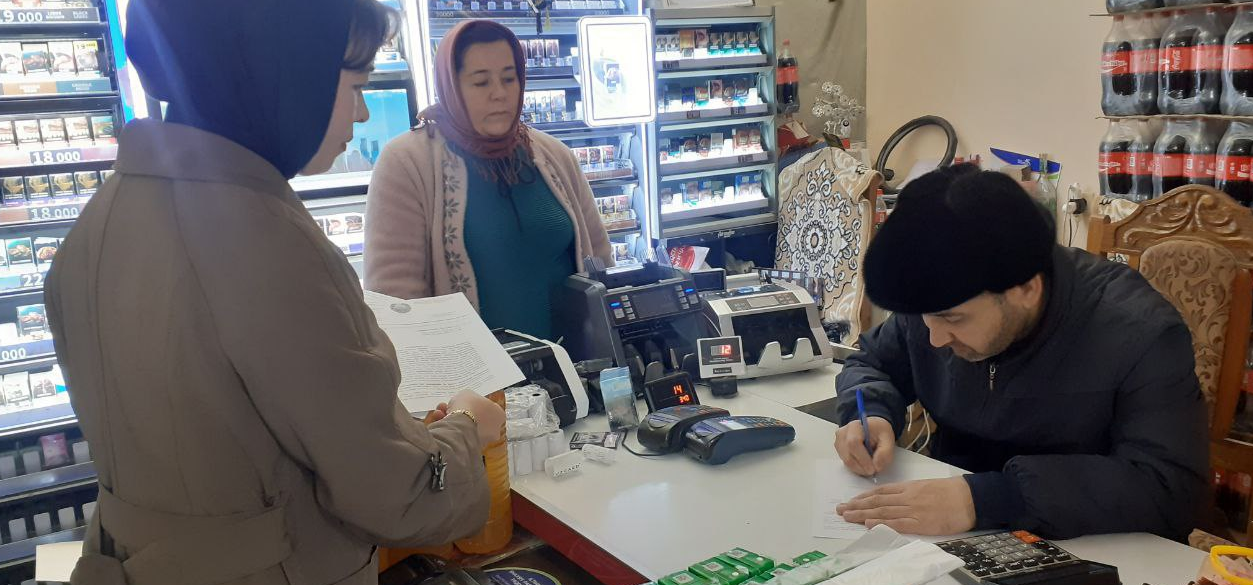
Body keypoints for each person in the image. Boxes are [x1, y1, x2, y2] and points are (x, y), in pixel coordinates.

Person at [46, 1, 504, 584]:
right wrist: (465, 427)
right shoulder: (263, 240)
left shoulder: (99, 220)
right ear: (288, 75)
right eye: (355, 85)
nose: (363, 112)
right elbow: (395, 494)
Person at [831, 165, 1207, 540]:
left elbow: (1169, 488)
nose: (935, 339)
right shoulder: (938, 301)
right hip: (943, 524)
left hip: (1085, 539)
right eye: (925, 317)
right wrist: (871, 412)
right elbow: (872, 362)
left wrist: (989, 499)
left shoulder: (1140, 332)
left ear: (1026, 289)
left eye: (953, 319)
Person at [364, 20, 612, 340]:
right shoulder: (407, 163)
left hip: (575, 363)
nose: (500, 94)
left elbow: (599, 259)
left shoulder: (555, 156)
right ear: (452, 86)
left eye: (509, 78)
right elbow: (395, 299)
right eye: (481, 82)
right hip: (472, 371)